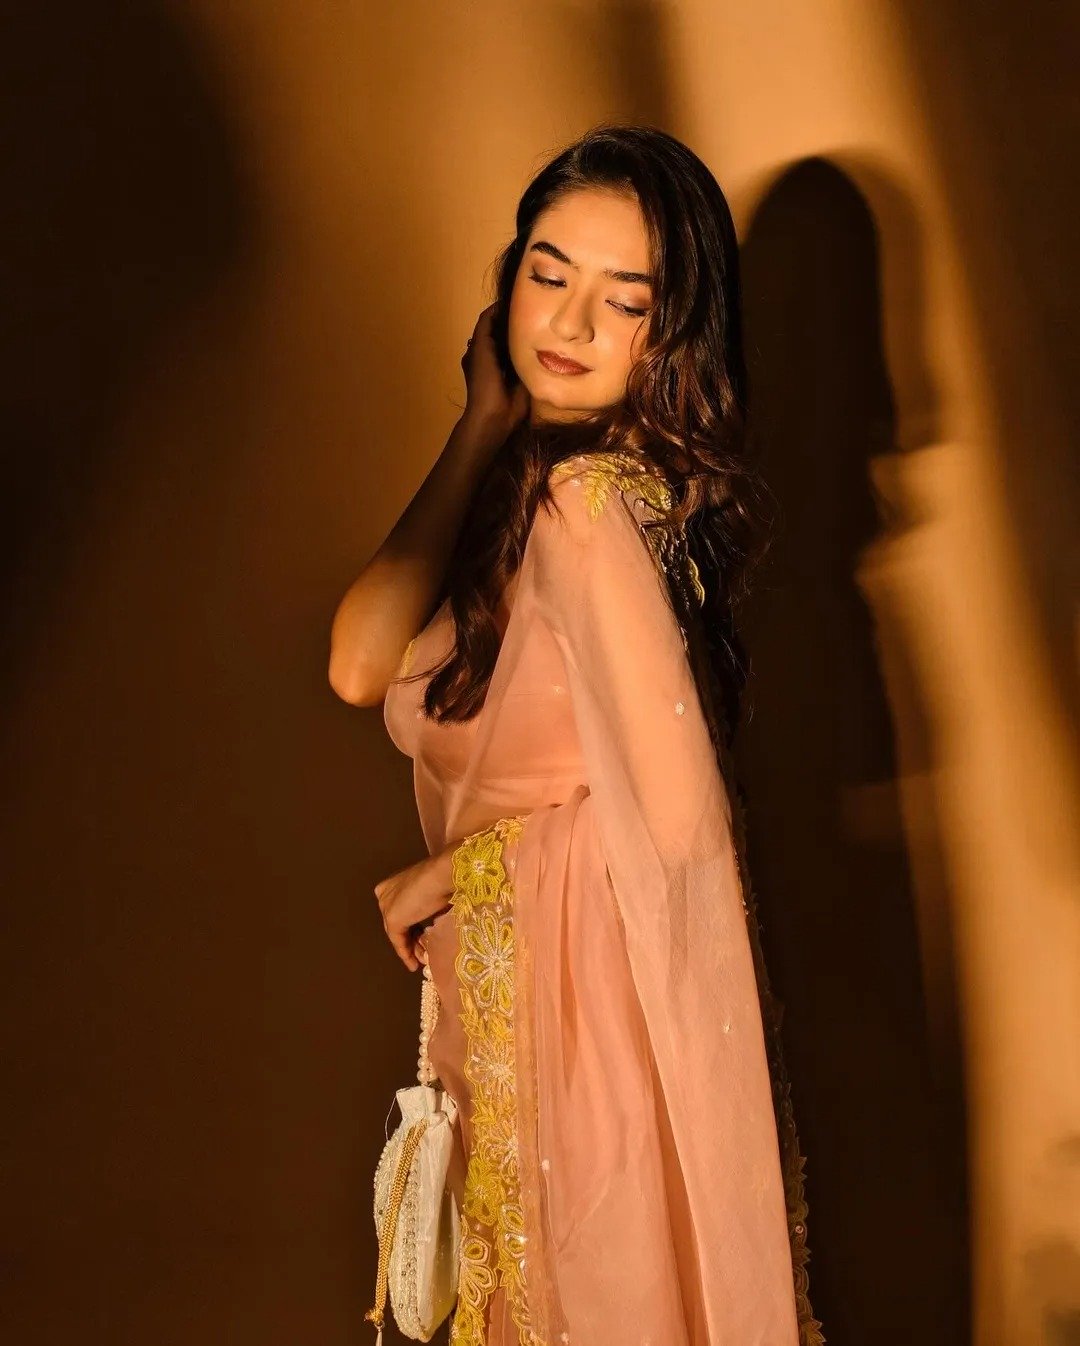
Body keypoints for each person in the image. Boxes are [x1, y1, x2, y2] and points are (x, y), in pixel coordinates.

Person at [329, 124, 824, 1346]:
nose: (572, 321)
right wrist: (479, 426)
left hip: (582, 1069)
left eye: (626, 299)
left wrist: (463, 870)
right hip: (529, 1033)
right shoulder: (548, 491)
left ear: (675, 331)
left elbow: (681, 829)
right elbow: (359, 661)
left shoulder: (588, 506)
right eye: (548, 274)